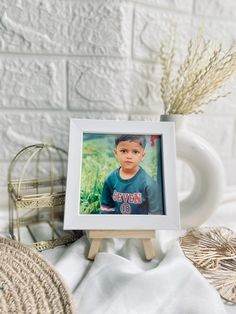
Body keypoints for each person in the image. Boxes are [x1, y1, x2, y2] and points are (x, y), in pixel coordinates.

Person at [100, 134, 163, 215]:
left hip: (140, 226)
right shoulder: (110, 179)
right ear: (116, 153)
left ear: (142, 156)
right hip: (116, 226)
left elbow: (156, 214)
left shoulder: (148, 184)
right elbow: (106, 209)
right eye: (123, 151)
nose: (129, 156)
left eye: (135, 152)